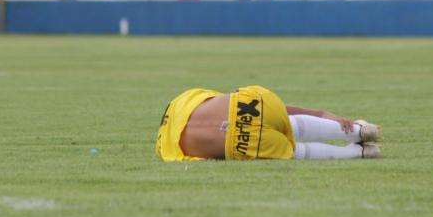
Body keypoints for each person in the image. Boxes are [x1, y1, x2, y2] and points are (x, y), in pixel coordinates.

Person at [156, 85, 381, 161]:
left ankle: (358, 153)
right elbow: (222, 98)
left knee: (294, 151)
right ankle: (360, 130)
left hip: (240, 142)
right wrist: (321, 113)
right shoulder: (184, 100)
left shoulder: (169, 151)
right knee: (287, 122)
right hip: (248, 102)